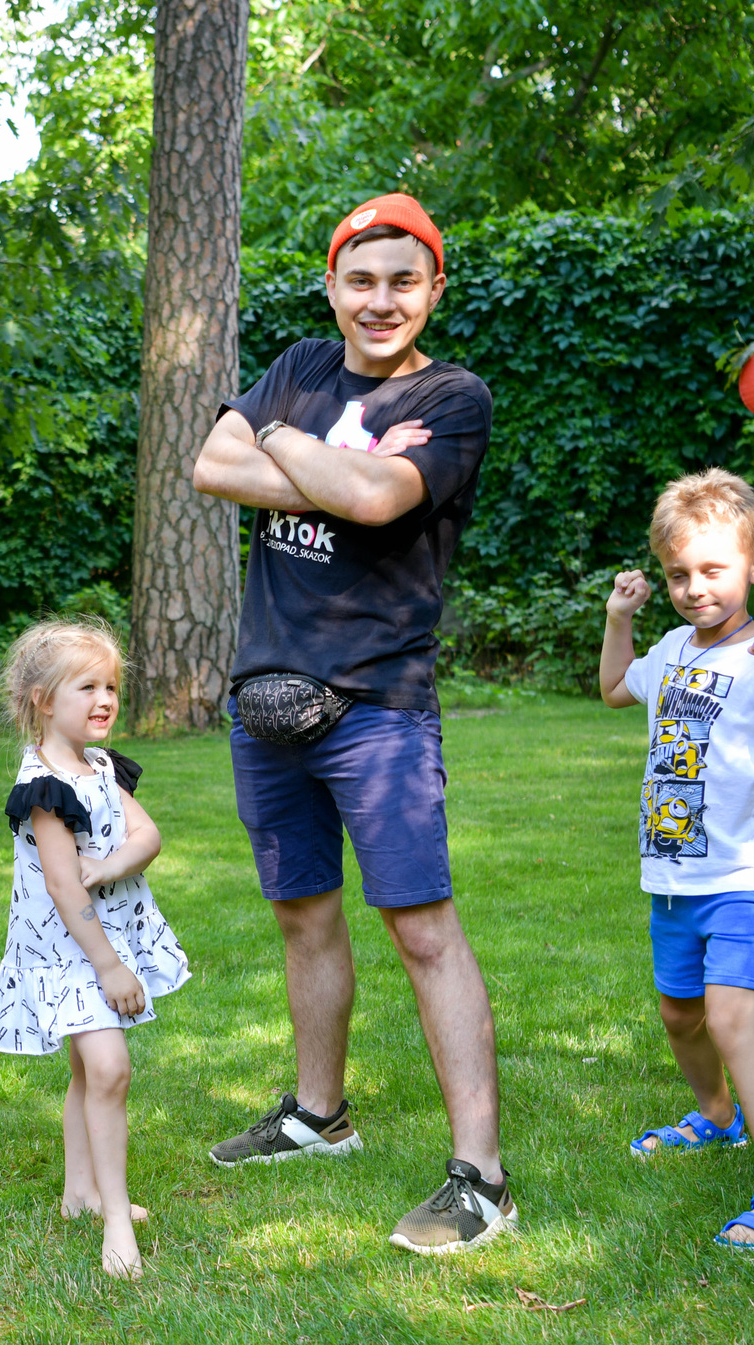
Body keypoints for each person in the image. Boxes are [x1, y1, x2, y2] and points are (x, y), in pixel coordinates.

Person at [188, 191, 515, 1255]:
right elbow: (208, 467)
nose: (380, 301)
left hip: (376, 704)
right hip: (265, 697)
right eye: (360, 281)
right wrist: (343, 463)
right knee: (301, 916)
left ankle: (481, 1180)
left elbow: (380, 503)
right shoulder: (298, 363)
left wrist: (278, 440)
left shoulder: (454, 396)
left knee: (420, 928)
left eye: (402, 281)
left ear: (434, 291)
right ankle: (316, 1116)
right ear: (332, 287)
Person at [599, 471, 754, 1248]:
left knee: (734, 1021)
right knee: (680, 1014)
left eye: (713, 571)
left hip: (745, 877)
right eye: (678, 574)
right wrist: (619, 618)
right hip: (672, 879)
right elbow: (612, 687)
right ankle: (715, 1114)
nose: (694, 588)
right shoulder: (670, 648)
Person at [0, 617, 191, 1279]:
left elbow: (146, 834)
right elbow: (67, 893)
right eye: (86, 687)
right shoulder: (45, 787)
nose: (104, 699)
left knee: (87, 1071)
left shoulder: (97, 764)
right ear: (43, 700)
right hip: (72, 951)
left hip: (99, 938)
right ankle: (117, 1219)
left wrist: (114, 864)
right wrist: (111, 966)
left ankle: (81, 1192)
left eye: (111, 686)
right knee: (111, 1069)